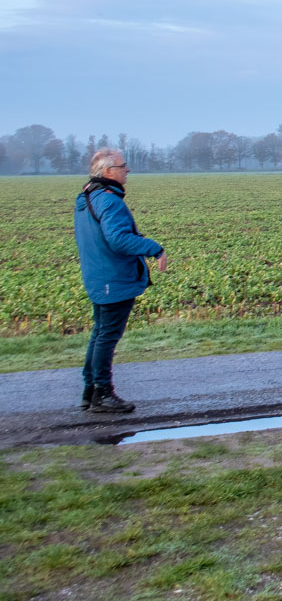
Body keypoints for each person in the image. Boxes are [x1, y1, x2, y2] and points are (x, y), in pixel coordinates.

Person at [73, 149, 167, 413]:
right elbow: (118, 239)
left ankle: (90, 390)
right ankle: (103, 393)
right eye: (123, 166)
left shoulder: (87, 197)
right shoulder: (110, 201)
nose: (128, 170)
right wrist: (154, 247)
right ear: (107, 172)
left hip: (98, 276)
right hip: (113, 278)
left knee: (100, 333)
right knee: (107, 336)